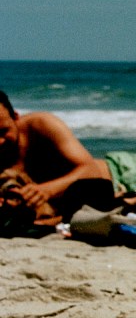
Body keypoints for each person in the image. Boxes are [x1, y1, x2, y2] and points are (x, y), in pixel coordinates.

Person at [0, 89, 114, 227]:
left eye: (4, 131)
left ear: (16, 117)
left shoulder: (40, 125)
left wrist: (46, 190)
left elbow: (91, 170)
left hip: (123, 174)